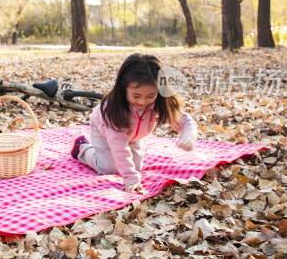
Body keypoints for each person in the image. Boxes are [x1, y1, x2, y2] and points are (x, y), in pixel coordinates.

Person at [71, 53, 197, 193]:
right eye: (136, 96)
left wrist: (188, 135)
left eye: (150, 96)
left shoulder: (159, 102)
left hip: (133, 135)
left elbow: (183, 119)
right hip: (104, 131)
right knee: (109, 168)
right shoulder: (113, 109)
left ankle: (132, 151)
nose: (142, 102)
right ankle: (82, 147)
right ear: (124, 88)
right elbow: (118, 146)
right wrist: (130, 177)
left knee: (137, 167)